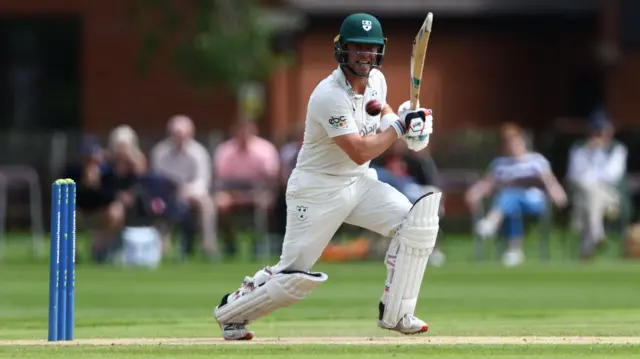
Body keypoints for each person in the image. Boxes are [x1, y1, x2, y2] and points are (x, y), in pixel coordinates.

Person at [213, 13, 440, 340]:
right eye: (357, 48)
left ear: (380, 51)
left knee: (417, 224)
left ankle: (397, 313)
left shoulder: (377, 80)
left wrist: (407, 124)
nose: (364, 55)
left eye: (370, 48)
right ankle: (230, 312)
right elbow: (360, 150)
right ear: (342, 50)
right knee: (292, 277)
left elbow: (382, 110)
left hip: (359, 184)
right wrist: (400, 128)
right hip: (316, 190)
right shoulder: (327, 95)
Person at [465, 123, 567, 267]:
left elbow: (550, 182)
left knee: (509, 195)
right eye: (508, 142)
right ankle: (515, 251)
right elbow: (487, 183)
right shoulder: (499, 164)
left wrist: (558, 194)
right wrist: (475, 192)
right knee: (511, 204)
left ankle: (492, 222)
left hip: (534, 200)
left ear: (523, 142)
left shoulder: (537, 160)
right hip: (509, 203)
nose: (512, 145)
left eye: (515, 141)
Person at [566, 112, 627, 258]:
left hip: (611, 197)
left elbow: (612, 176)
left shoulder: (617, 149)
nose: (599, 136)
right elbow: (574, 175)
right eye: (596, 132)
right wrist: (590, 153)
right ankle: (596, 234)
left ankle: (590, 243)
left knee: (591, 195)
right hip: (583, 194)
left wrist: (595, 158)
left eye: (602, 132)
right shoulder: (579, 149)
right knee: (590, 195)